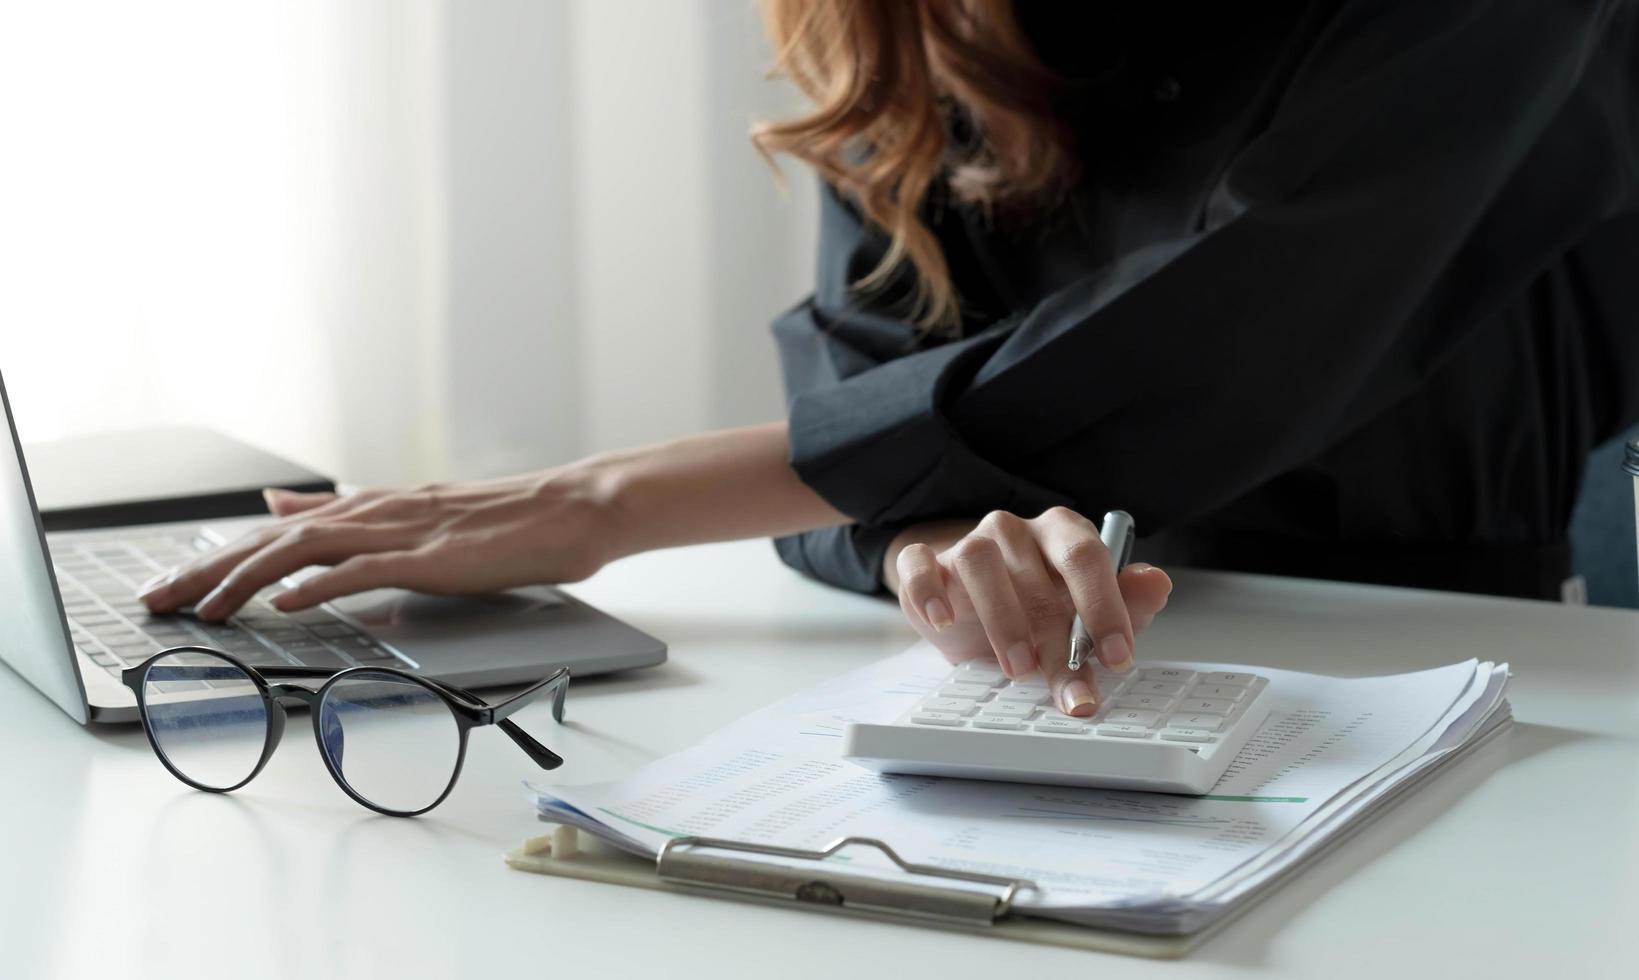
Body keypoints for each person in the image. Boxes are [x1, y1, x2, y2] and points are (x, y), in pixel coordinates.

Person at [141, 0, 1639, 718]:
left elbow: (1260, 313)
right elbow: (862, 365)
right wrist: (939, 545)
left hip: (1450, 645)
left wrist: (607, 501)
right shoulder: (913, 17)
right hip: (1047, 678)